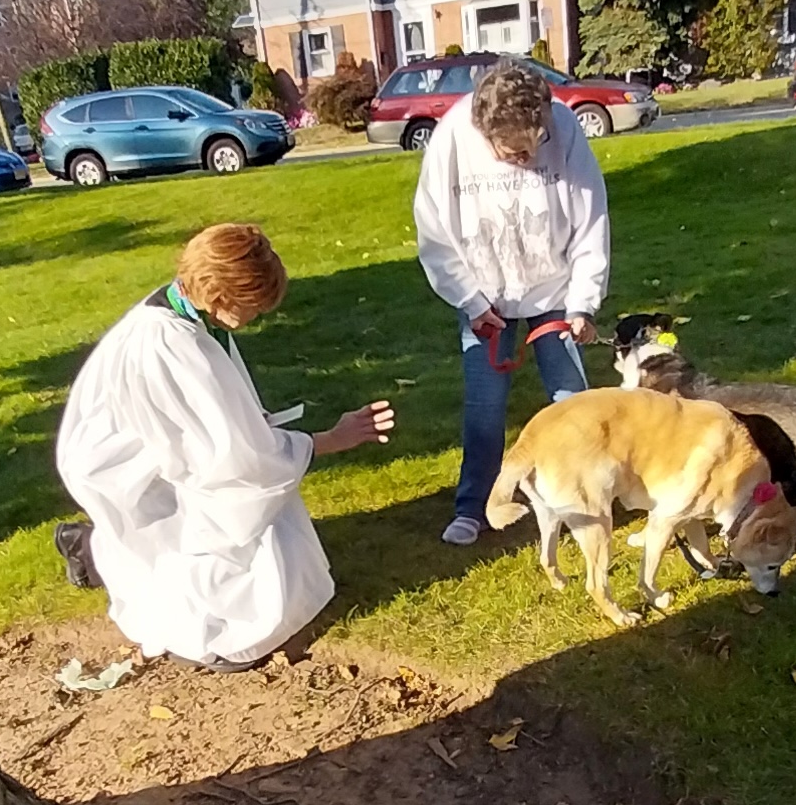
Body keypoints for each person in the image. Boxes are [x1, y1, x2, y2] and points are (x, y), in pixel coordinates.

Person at [54, 223, 394, 673]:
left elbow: (221, 427)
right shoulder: (169, 345)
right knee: (221, 531)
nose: (258, 316)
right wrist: (330, 439)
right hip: (122, 468)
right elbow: (238, 461)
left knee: (186, 534)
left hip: (142, 455)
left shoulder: (182, 310)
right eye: (253, 306)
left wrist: (260, 431)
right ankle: (210, 636)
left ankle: (88, 546)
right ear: (219, 296)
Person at [413, 59, 610, 546]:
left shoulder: (562, 128)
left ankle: (584, 500)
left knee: (573, 402)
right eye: (512, 152)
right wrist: (471, 301)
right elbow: (434, 233)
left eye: (532, 148)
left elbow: (591, 221)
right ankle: (474, 507)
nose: (526, 159)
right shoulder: (452, 137)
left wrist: (582, 302)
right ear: (485, 130)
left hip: (554, 291)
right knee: (485, 405)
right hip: (483, 295)